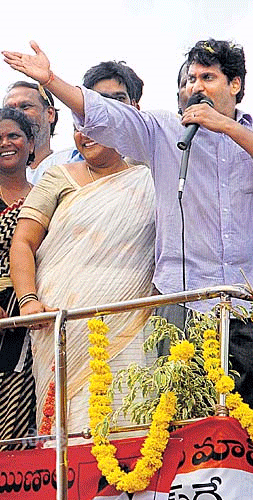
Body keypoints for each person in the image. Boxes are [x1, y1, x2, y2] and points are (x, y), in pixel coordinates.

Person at [3, 39, 253, 426]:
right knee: (178, 426)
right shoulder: (165, 131)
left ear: (236, 85)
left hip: (243, 308)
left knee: (249, 428)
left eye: (208, 77)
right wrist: (52, 80)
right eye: (191, 78)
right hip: (180, 305)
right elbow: (107, 117)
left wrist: (225, 127)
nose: (196, 86)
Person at [9, 110, 155, 434]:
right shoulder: (59, 176)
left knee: (131, 422)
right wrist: (28, 301)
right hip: (61, 322)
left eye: (93, 126)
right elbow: (22, 243)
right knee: (70, 427)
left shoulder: (149, 176)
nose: (84, 135)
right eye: (78, 128)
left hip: (129, 318)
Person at [0, 107, 36, 449]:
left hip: (32, 311)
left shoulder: (47, 194)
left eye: (13, 135)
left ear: (31, 143)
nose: (6, 143)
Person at [2, 81, 74, 184]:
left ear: (50, 114)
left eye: (25, 106)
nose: (17, 114)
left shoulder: (70, 162)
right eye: (10, 110)